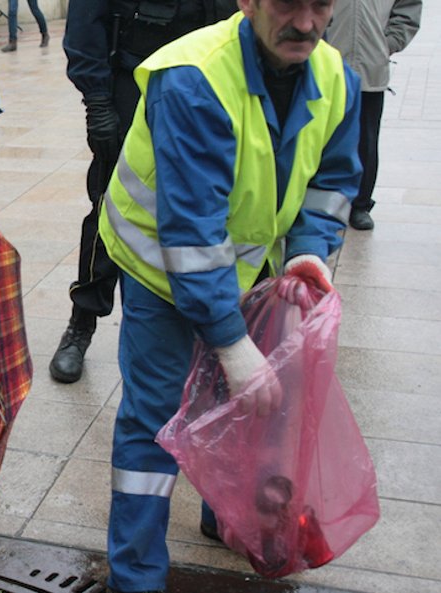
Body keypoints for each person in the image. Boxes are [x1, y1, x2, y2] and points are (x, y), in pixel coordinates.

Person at [96, 0, 362, 590]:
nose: (305, 23)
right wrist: (230, 341)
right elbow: (192, 233)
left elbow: (333, 181)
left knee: (246, 407)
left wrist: (308, 251)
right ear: (247, 1)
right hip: (160, 270)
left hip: (247, 267)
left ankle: (227, 516)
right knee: (155, 420)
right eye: (288, 5)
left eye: (319, 5)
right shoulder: (192, 78)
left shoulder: (337, 77)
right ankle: (134, 576)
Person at [51, 0, 238, 384]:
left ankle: (212, 328)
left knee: (213, 209)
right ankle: (82, 322)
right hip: (131, 88)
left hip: (211, 86)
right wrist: (97, 101)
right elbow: (86, 23)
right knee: (109, 208)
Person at [327, 0, 422, 231]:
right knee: (321, 138)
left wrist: (388, 43)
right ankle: (322, 203)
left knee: (366, 142)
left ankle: (360, 204)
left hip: (370, 67)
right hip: (325, 66)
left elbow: (408, 9)